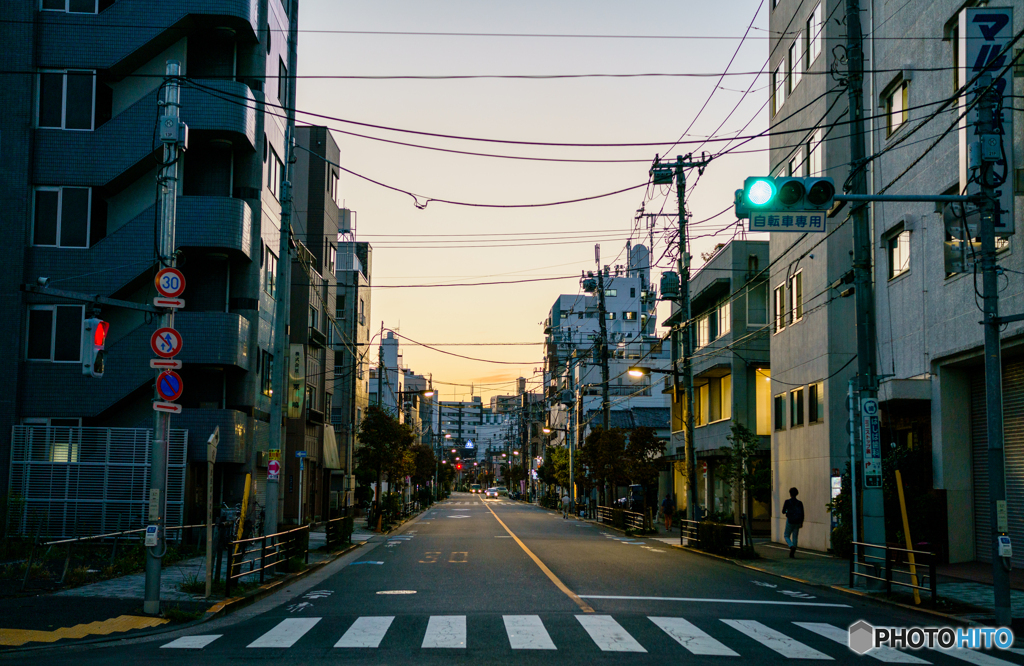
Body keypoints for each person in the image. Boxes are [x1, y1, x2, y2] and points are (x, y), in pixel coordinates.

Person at [782, 487, 804, 558]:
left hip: (790, 521)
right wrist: (801, 522)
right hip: (797, 521)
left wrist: (787, 512)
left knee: (786, 535)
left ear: (790, 494)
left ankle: (791, 546)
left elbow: (783, 511)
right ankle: (793, 551)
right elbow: (802, 513)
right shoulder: (799, 503)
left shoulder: (787, 502)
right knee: (795, 536)